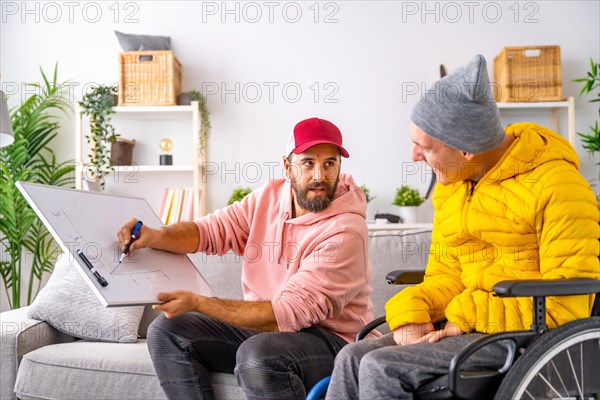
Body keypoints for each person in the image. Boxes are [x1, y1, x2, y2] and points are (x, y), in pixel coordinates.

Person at [326, 54, 600, 399]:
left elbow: (568, 305)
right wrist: (414, 314)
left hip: (526, 332)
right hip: (472, 323)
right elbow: (447, 275)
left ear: (467, 149)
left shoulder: (557, 186)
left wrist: (463, 317)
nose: (413, 156)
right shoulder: (453, 187)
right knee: (351, 357)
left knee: (381, 367)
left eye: (424, 146)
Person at [117, 117, 376, 400]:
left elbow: (286, 315)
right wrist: (155, 236)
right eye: (308, 163)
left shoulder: (346, 230)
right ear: (287, 167)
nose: (319, 176)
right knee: (168, 331)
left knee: (258, 356)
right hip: (271, 334)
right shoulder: (269, 198)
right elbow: (209, 231)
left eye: (330, 163)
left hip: (335, 342)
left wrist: (201, 303)